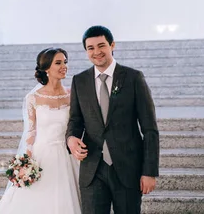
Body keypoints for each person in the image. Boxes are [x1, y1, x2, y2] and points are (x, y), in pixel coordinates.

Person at [66, 25, 159, 214]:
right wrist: (71, 139)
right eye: (90, 48)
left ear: (112, 45)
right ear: (86, 51)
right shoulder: (79, 81)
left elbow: (150, 129)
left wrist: (149, 171)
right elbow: (75, 120)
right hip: (92, 169)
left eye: (101, 46)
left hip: (127, 169)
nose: (97, 52)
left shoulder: (133, 78)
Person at [0, 47, 81, 214]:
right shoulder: (33, 98)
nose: (64, 66)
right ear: (47, 68)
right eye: (58, 62)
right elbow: (31, 131)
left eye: (65, 62)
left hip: (68, 154)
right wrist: (25, 161)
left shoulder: (72, 95)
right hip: (42, 154)